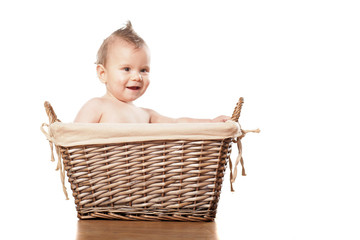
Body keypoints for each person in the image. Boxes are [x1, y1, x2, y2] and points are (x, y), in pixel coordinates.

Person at [74, 21, 230, 123]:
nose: (137, 77)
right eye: (126, 69)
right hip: (104, 173)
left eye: (143, 70)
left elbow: (177, 124)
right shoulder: (97, 106)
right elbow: (72, 139)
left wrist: (210, 122)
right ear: (103, 73)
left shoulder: (146, 115)